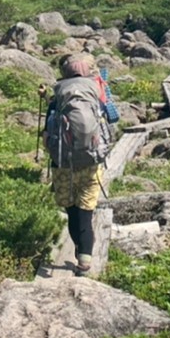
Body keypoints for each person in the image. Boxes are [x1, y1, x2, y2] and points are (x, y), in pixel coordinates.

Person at [44, 53, 112, 276]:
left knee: (71, 208)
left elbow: (48, 131)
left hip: (63, 162)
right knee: (86, 209)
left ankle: (80, 254)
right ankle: (85, 259)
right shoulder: (96, 89)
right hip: (92, 160)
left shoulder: (59, 92)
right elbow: (112, 118)